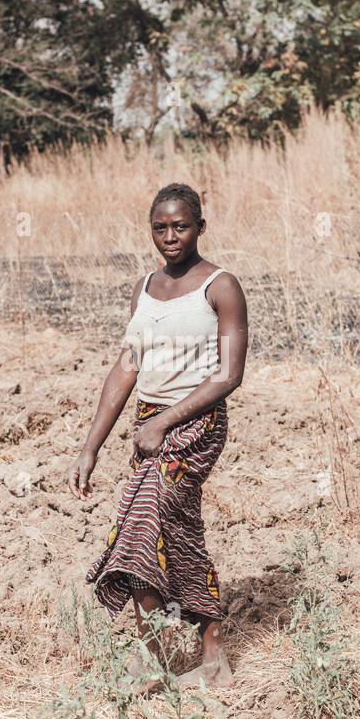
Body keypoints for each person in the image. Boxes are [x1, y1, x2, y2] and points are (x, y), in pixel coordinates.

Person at [68, 182, 248, 690]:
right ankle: (212, 655)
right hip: (150, 425)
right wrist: (91, 446)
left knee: (138, 526)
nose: (170, 237)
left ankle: (153, 660)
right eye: (160, 228)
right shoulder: (145, 287)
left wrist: (164, 422)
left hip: (196, 424)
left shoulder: (220, 286)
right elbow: (128, 366)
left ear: (200, 227)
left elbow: (229, 375)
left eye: (181, 226)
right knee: (178, 531)